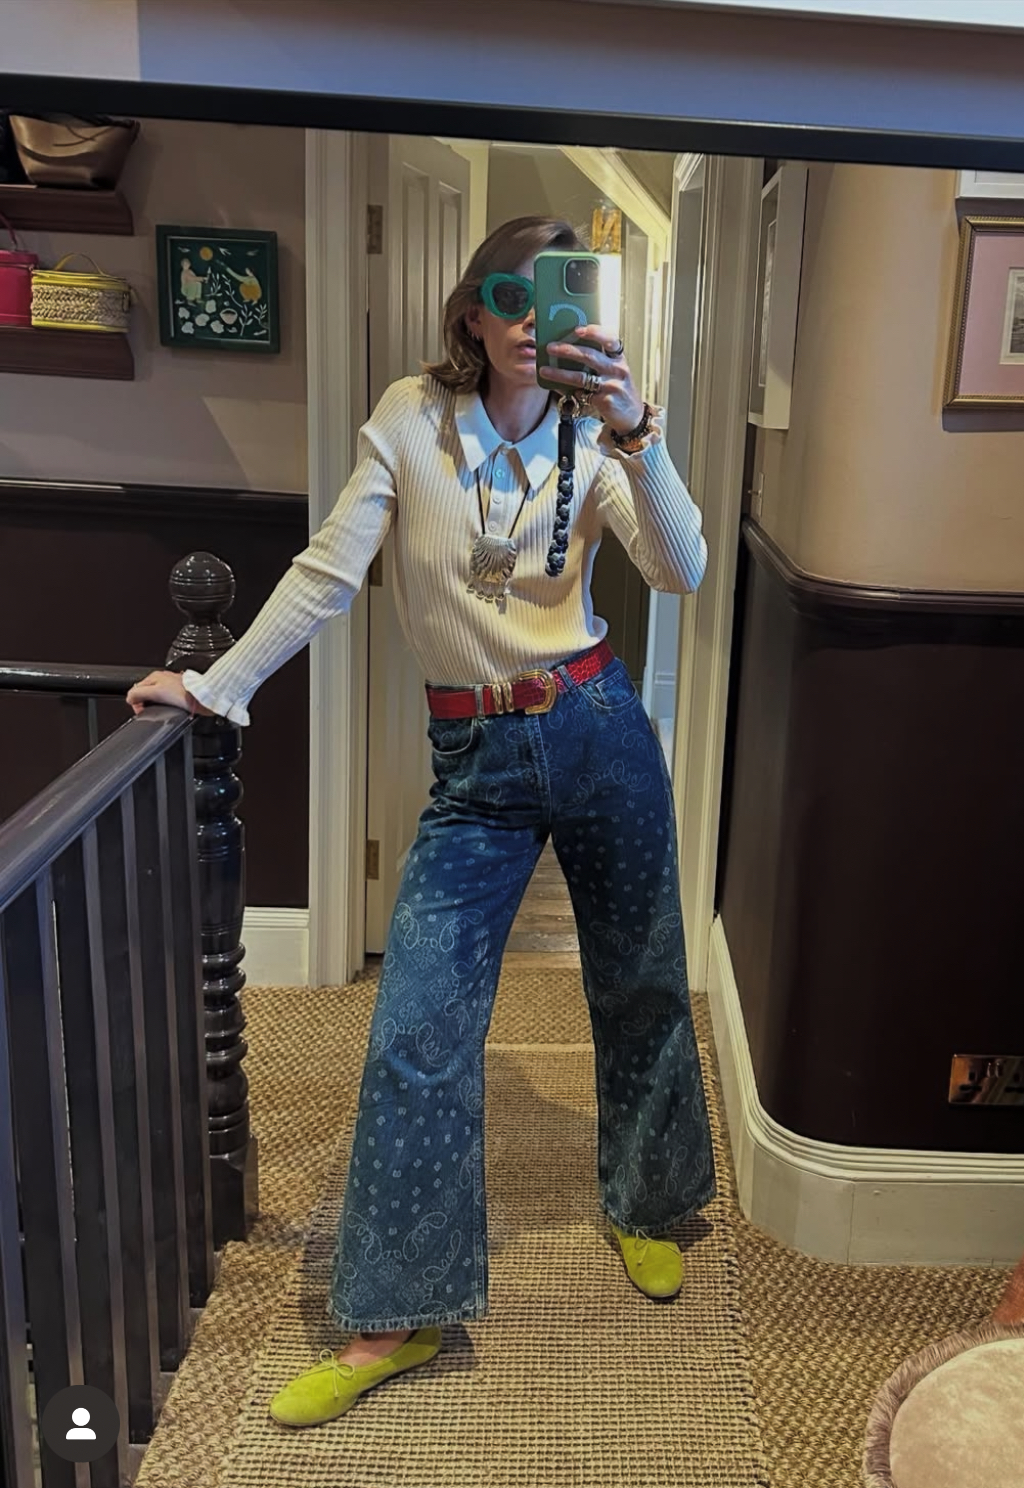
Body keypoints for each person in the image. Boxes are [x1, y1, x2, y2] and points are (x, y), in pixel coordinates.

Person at [128, 215, 717, 1429]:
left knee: (642, 981)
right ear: (470, 312)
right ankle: (398, 1313)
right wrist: (217, 686)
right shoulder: (410, 417)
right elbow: (328, 570)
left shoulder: (596, 431)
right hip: (477, 762)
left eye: (555, 295)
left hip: (599, 726)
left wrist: (638, 433)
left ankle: (649, 1201)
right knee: (416, 1027)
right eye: (507, 294)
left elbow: (683, 568)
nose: (529, 319)